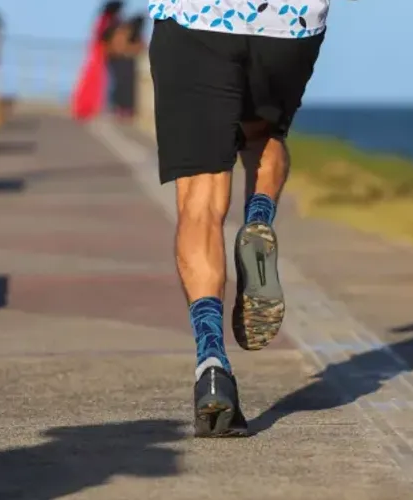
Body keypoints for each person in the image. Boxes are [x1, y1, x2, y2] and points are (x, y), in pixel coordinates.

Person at [148, 0, 328, 436]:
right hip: (289, 27)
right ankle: (258, 216)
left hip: (197, 20)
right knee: (264, 134)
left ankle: (212, 364)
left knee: (201, 201)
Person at [107, 15, 145, 119]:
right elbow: (118, 48)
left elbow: (140, 47)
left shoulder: (136, 35)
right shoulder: (123, 31)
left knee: (128, 86)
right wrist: (129, 50)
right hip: (119, 62)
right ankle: (120, 107)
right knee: (121, 85)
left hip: (127, 63)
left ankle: (126, 108)